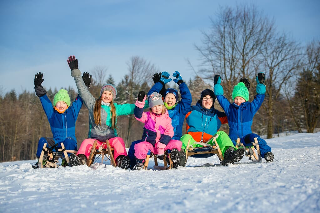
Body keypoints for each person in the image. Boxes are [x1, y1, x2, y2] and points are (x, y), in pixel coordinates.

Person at [67, 55, 144, 169]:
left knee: (119, 141)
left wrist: (150, 102)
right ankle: (81, 159)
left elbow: (132, 107)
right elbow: (82, 90)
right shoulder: (93, 104)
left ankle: (121, 160)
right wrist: (75, 72)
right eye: (105, 93)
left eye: (110, 94)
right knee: (86, 143)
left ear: (113, 97)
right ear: (101, 94)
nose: (107, 96)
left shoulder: (115, 108)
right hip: (95, 140)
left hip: (111, 139)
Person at [128, 71, 192, 167]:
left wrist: (181, 83)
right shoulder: (156, 109)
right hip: (153, 140)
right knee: (135, 145)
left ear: (176, 100)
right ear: (163, 99)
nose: (170, 100)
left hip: (171, 140)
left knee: (179, 145)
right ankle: (132, 162)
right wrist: (160, 83)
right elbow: (151, 97)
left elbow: (187, 99)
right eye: (167, 97)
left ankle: (176, 160)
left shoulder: (180, 109)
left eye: (172, 98)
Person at [214, 73, 274, 162]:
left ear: (245, 99)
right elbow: (220, 97)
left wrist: (261, 84)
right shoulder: (230, 108)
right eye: (236, 98)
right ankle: (232, 155)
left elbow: (259, 98)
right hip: (234, 136)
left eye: (241, 99)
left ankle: (266, 153)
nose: (238, 101)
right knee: (228, 143)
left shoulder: (250, 108)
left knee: (256, 138)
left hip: (247, 136)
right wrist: (217, 85)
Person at [180, 89, 245, 165]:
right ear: (201, 100)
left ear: (213, 101)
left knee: (221, 134)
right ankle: (179, 156)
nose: (208, 101)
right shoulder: (191, 111)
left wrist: (239, 103)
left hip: (211, 142)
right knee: (185, 137)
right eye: (205, 99)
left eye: (210, 99)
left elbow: (233, 116)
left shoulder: (217, 115)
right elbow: (179, 108)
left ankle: (230, 153)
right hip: (192, 142)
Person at [33, 72, 83, 168]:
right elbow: (46, 103)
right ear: (55, 104)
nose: (61, 105)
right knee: (43, 140)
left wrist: (84, 84)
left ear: (67, 104)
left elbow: (80, 100)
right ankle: (41, 160)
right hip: (56, 143)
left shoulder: (72, 112)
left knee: (69, 141)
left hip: (69, 143)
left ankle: (68, 160)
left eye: (63, 102)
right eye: (58, 102)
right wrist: (38, 87)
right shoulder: (52, 114)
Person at [131, 91, 183, 169]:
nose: (157, 108)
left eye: (159, 105)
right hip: (150, 144)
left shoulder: (166, 118)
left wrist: (162, 144)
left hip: (163, 145)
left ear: (162, 105)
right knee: (140, 146)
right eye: (154, 106)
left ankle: (175, 160)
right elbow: (138, 115)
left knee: (177, 143)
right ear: (151, 107)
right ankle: (140, 162)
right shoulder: (147, 116)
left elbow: (170, 132)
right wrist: (140, 102)